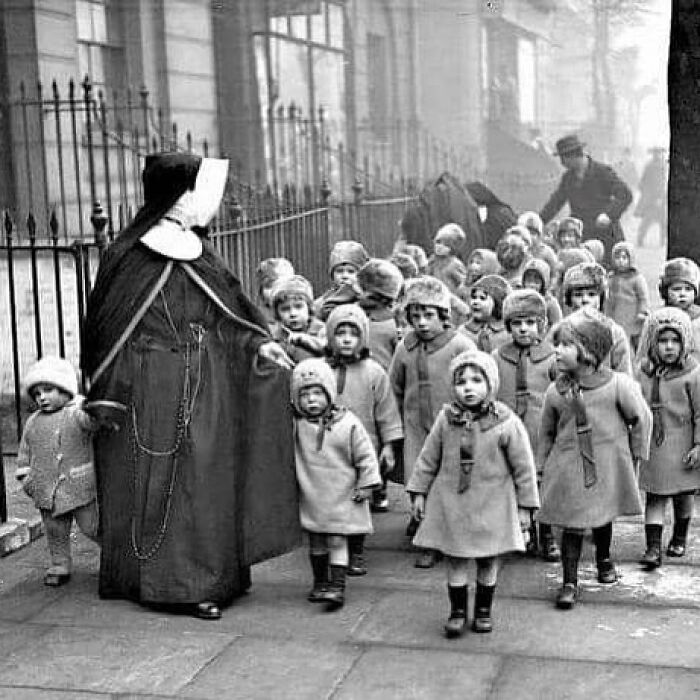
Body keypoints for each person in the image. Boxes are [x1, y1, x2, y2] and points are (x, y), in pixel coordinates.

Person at [81, 152, 300, 620]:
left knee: (208, 479)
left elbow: (232, 314)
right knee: (160, 479)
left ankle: (212, 575)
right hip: (152, 386)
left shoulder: (202, 252)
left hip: (211, 382)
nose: (205, 202)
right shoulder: (129, 255)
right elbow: (109, 329)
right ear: (175, 196)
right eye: (195, 191)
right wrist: (109, 391)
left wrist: (260, 347)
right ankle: (173, 583)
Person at [407, 350, 539, 636]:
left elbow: (524, 468)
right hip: (454, 503)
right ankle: (457, 611)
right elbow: (428, 458)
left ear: (490, 384)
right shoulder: (446, 419)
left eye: (477, 380)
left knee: (488, 559)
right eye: (461, 381)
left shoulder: (506, 421)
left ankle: (482, 611)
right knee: (455, 557)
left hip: (492, 503)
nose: (468, 387)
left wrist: (526, 506)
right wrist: (419, 491)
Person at [537, 308, 651, 610]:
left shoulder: (617, 385)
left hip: (607, 464)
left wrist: (636, 454)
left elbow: (641, 418)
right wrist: (541, 466)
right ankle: (569, 581)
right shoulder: (556, 392)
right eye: (557, 344)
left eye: (565, 345)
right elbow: (546, 431)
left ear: (588, 352)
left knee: (602, 515)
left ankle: (603, 558)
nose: (557, 350)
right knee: (572, 523)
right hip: (570, 465)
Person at [388, 275, 475, 568]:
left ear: (443, 315)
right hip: (415, 427)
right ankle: (424, 531)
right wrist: (395, 425)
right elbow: (394, 388)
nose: (422, 322)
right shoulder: (405, 347)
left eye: (428, 315)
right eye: (415, 316)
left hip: (450, 426)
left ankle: (442, 538)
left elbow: (479, 381)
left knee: (447, 481)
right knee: (419, 480)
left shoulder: (460, 346)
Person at [292, 358, 381, 610]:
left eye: (317, 393)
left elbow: (365, 455)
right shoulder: (297, 425)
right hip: (312, 495)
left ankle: (337, 586)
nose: (311, 400)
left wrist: (367, 483)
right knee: (316, 542)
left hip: (342, 494)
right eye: (304, 394)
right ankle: (320, 582)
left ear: (329, 393)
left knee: (337, 540)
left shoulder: (348, 423)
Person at [325, 304, 402, 573]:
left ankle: (355, 551)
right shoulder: (322, 370)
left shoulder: (374, 372)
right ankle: (334, 551)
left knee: (359, 501)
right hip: (330, 448)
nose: (346, 339)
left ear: (364, 338)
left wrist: (390, 446)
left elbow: (387, 411)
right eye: (340, 332)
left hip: (365, 447)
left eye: (353, 333)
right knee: (332, 498)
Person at [15, 357, 99, 587]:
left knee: (92, 526)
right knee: (55, 530)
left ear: (65, 391)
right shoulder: (33, 422)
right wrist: (26, 478)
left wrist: (90, 407)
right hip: (45, 489)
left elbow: (91, 422)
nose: (42, 397)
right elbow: (24, 452)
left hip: (78, 485)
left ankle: (115, 558)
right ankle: (60, 564)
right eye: (37, 393)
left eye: (49, 390)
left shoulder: (76, 414)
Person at [493, 289, 559, 561]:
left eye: (530, 323)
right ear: (508, 326)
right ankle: (519, 531)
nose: (523, 329)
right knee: (511, 477)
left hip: (540, 429)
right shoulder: (498, 356)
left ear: (541, 324)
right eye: (517, 323)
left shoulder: (552, 357)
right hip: (509, 429)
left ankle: (547, 533)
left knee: (542, 479)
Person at [637, 308, 700, 569]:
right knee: (655, 495)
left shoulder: (693, 374)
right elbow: (634, 404)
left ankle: (680, 535)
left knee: (683, 496)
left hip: (683, 442)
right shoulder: (644, 372)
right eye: (663, 341)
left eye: (675, 341)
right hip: (655, 444)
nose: (669, 347)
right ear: (653, 343)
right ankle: (652, 547)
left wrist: (699, 445)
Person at [540, 135, 633, 264]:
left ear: (574, 155)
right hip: (582, 237)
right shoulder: (568, 178)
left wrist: (608, 215)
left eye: (564, 158)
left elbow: (625, 194)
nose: (561, 162)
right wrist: (538, 222)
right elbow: (555, 203)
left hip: (607, 236)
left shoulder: (602, 172)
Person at [559, 262, 632, 374]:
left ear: (601, 298)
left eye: (592, 294)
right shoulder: (561, 330)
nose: (585, 300)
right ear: (569, 299)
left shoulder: (615, 332)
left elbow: (624, 374)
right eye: (578, 295)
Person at [270, 275, 326, 364]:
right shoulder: (274, 336)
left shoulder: (322, 331)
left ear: (309, 307)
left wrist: (306, 340)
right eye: (285, 309)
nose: (293, 314)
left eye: (298, 307)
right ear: (277, 313)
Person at [605, 241, 649, 352]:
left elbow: (643, 297)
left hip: (631, 313)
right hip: (614, 311)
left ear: (631, 260)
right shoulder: (611, 277)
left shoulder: (636, 278)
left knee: (631, 337)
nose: (621, 261)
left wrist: (642, 312)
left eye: (624, 258)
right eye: (617, 258)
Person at [314, 240, 369, 321]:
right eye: (339, 271)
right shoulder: (321, 304)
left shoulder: (366, 301)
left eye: (351, 271)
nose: (344, 276)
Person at [460, 274, 511, 353]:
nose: (476, 302)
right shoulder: (463, 332)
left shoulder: (507, 333)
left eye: (482, 298)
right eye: (474, 297)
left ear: (497, 303)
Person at [636, 147, 668, 248]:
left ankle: (662, 241)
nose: (658, 155)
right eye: (657, 153)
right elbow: (653, 183)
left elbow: (642, 184)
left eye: (659, 153)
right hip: (653, 199)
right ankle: (641, 240)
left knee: (662, 222)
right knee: (648, 221)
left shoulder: (658, 165)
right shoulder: (655, 166)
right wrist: (656, 197)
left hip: (656, 198)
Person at [522, 257, 562, 329]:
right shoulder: (520, 300)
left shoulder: (550, 303)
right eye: (528, 281)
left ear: (544, 283)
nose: (532, 285)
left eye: (536, 282)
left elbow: (558, 327)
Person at [256, 257, 295, 331]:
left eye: (286, 284)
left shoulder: (308, 314)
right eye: (270, 285)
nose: (278, 291)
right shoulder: (257, 320)